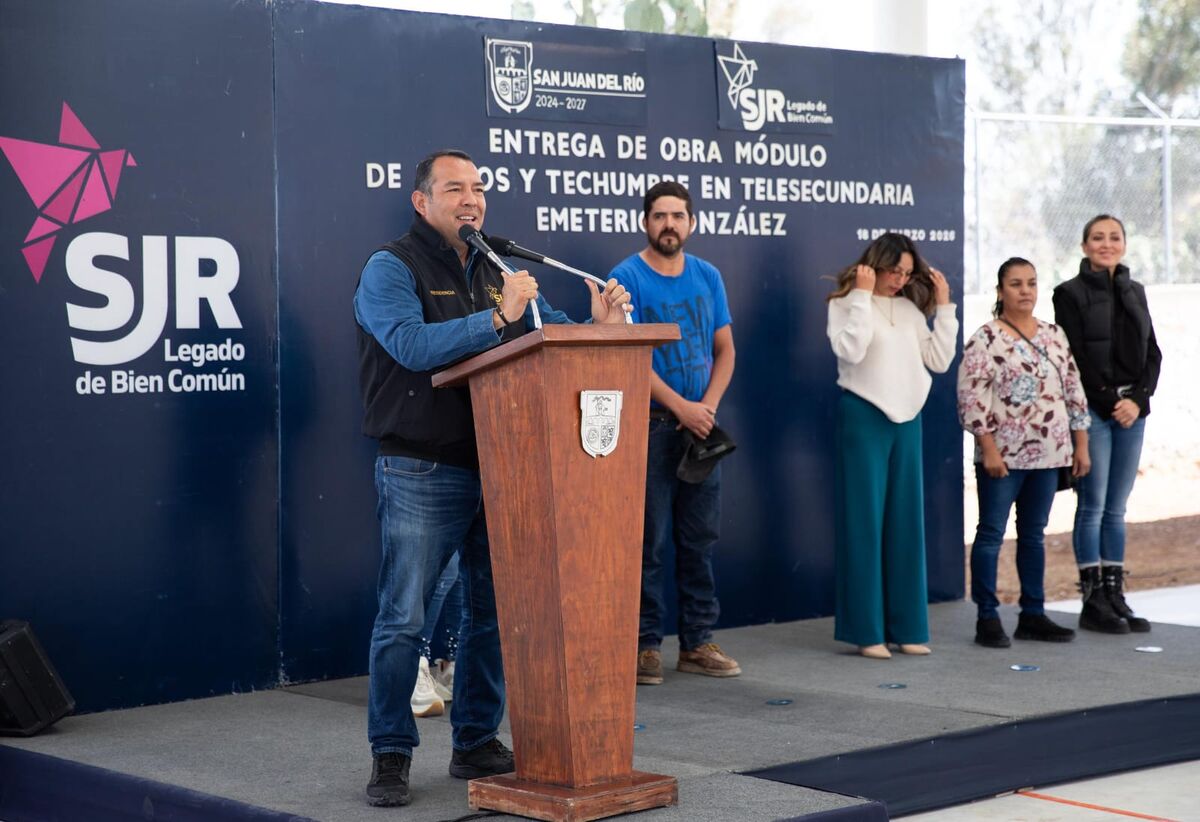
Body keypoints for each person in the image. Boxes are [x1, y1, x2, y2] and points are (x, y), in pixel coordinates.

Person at [354, 149, 631, 807]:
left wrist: (598, 328)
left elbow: (548, 338)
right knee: (404, 616)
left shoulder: (496, 268)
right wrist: (497, 318)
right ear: (421, 201)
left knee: (494, 611)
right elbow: (411, 347)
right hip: (422, 464)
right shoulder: (390, 267)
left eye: (478, 188)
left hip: (508, 463)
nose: (471, 199)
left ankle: (476, 738)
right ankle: (390, 752)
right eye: (455, 189)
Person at [609, 181, 740, 686]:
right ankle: (644, 645)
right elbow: (627, 356)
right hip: (650, 427)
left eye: (678, 216)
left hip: (699, 430)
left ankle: (697, 642)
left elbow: (726, 350)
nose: (669, 224)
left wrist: (705, 408)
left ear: (691, 223)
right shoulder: (626, 277)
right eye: (660, 215)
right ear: (645, 222)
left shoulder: (708, 275)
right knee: (647, 543)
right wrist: (681, 406)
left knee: (699, 539)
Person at [826, 232, 957, 659]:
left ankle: (908, 628)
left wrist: (945, 307)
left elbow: (939, 361)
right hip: (864, 417)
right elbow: (851, 350)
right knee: (863, 522)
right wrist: (862, 296)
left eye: (906, 273)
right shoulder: (845, 303)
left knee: (906, 522)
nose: (899, 280)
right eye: (893, 271)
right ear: (874, 265)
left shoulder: (910, 311)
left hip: (908, 421)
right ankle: (867, 632)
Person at [958, 257, 1090, 648]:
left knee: (1033, 535)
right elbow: (971, 398)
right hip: (1003, 456)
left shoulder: (1054, 335)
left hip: (1049, 454)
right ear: (1000, 291)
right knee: (991, 534)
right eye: (1016, 284)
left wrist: (1081, 444)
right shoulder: (985, 339)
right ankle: (986, 617)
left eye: (1031, 283)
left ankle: (1033, 614)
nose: (1025, 291)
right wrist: (988, 448)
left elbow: (1073, 388)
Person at [1053, 215, 1162, 634]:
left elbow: (1153, 353)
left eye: (1114, 237)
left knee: (1117, 507)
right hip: (1094, 412)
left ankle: (1115, 593)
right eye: (1097, 238)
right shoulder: (1068, 294)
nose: (1106, 244)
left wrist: (1138, 400)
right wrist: (1111, 401)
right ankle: (1093, 599)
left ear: (1124, 244)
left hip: (1132, 413)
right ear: (1084, 246)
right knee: (1092, 504)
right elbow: (1074, 359)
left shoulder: (1136, 291)